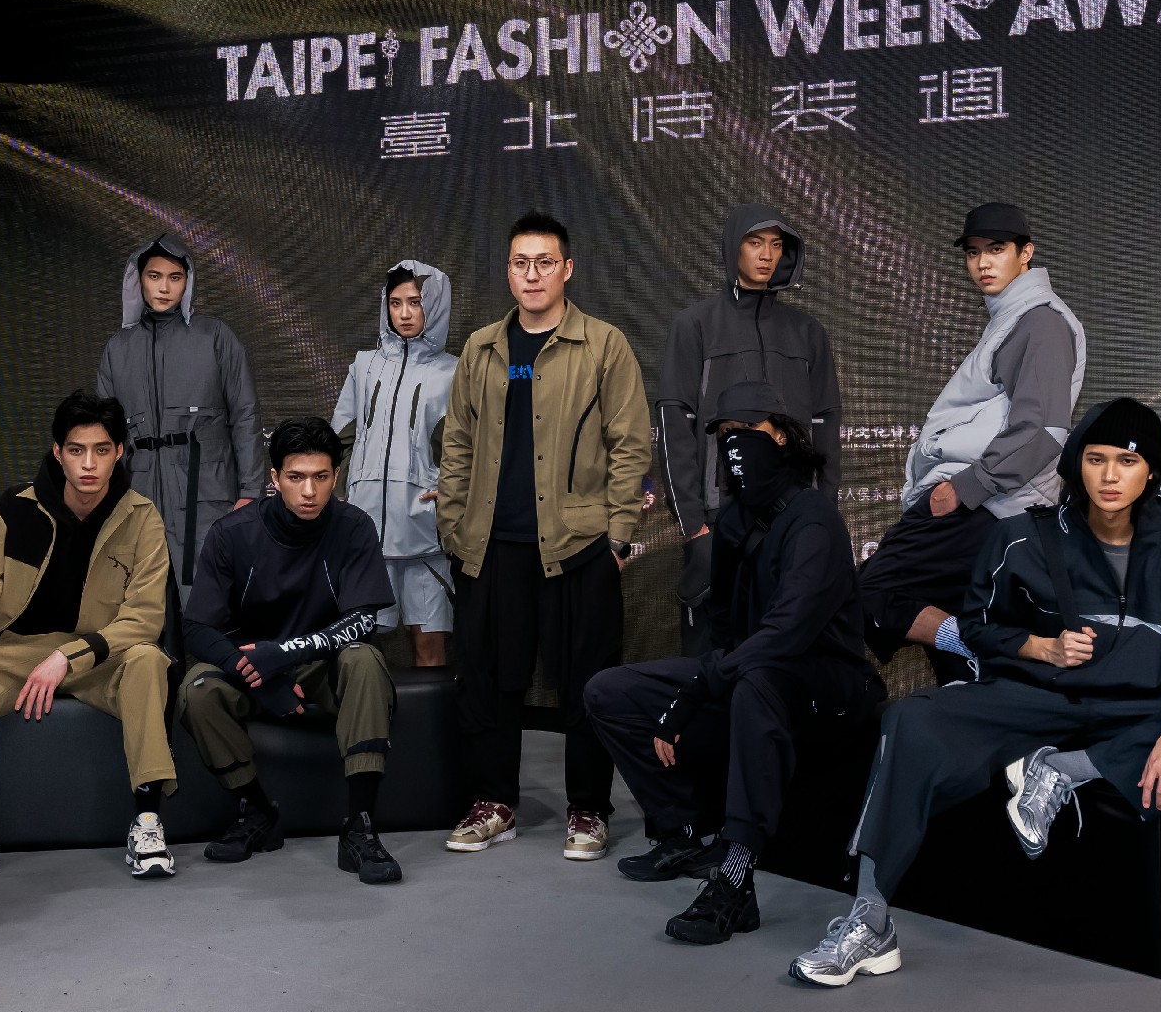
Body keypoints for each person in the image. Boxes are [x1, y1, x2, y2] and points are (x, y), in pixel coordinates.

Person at [799, 399, 1161, 987]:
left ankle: (1065, 771)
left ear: (1152, 471)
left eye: (1128, 461)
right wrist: (1039, 647)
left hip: (1131, 712)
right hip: (1031, 700)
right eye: (1096, 459)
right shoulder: (1023, 538)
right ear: (1077, 464)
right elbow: (976, 627)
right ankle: (871, 919)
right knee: (911, 720)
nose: (1110, 477)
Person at [585, 382, 882, 945]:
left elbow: (787, 633)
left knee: (757, 680)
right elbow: (722, 630)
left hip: (830, 685)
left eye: (747, 431)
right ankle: (684, 834)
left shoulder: (814, 521)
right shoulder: (735, 521)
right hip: (753, 672)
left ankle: (735, 877)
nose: (734, 445)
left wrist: (701, 689)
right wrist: (703, 680)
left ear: (782, 436)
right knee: (611, 691)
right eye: (724, 435)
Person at [437, 213, 651, 860]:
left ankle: (588, 810)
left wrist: (618, 537)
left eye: (544, 262)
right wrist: (453, 526)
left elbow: (630, 444)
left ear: (567, 269)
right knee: (488, 682)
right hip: (490, 546)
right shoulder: (481, 349)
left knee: (586, 682)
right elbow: (458, 444)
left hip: (578, 546)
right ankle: (493, 803)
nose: (531, 274)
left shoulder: (603, 344)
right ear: (508, 271)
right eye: (520, 263)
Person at [0, 391, 176, 883]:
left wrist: (67, 657)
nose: (89, 464)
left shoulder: (142, 517)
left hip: (101, 654)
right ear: (58, 452)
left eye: (101, 450)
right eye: (76, 450)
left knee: (148, 659)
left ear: (120, 452)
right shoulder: (14, 510)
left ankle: (147, 821)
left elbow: (144, 618)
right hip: (20, 652)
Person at [858, 202, 1083, 683]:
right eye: (973, 252)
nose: (983, 262)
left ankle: (980, 647)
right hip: (991, 503)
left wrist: (964, 488)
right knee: (955, 621)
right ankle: (974, 676)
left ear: (1026, 253)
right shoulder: (1013, 317)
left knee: (875, 591)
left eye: (996, 249)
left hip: (987, 503)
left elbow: (1043, 430)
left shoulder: (1040, 322)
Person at [179, 417, 403, 885]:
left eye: (320, 477)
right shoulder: (232, 533)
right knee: (197, 690)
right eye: (296, 477)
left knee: (365, 660)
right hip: (252, 665)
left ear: (335, 477)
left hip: (323, 665)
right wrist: (257, 677)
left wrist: (283, 654)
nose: (309, 491)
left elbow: (364, 619)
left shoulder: (354, 526)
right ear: (275, 477)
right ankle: (257, 811)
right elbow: (197, 626)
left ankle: (359, 827)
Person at [657, 205, 841, 656]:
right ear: (733, 247)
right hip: (718, 520)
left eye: (776, 245)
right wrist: (694, 527)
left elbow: (825, 427)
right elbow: (674, 425)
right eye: (755, 243)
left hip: (792, 518)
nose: (767, 255)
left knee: (787, 652)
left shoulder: (807, 332)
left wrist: (822, 511)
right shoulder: (694, 325)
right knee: (712, 653)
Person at [95, 233, 266, 594]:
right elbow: (103, 436)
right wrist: (104, 499)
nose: (164, 287)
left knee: (211, 597)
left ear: (188, 282)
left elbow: (245, 415)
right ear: (138, 279)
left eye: (175, 277)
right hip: (139, 495)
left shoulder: (215, 336)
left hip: (207, 494)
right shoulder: (118, 349)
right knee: (145, 600)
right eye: (154, 276)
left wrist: (251, 492)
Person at [331, 260, 459, 666]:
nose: (404, 313)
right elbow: (339, 440)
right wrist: (342, 499)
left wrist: (453, 492)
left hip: (426, 536)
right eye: (395, 302)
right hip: (366, 534)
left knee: (430, 649)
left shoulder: (456, 372)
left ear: (434, 306)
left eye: (416, 302)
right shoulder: (363, 366)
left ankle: (434, 716)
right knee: (361, 651)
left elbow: (469, 450)